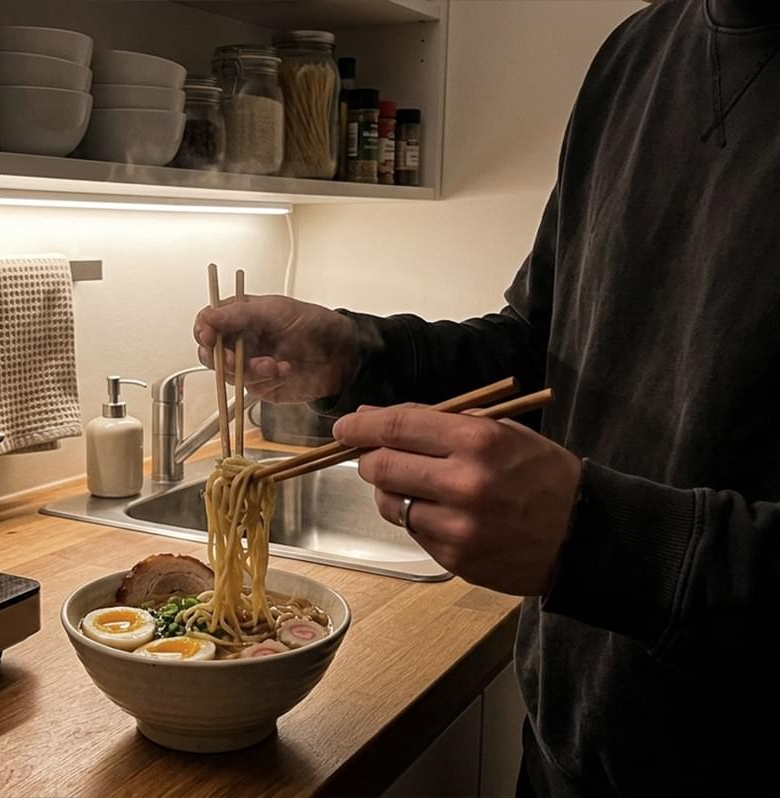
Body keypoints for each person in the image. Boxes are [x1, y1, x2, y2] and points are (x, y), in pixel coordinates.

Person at [194, 0, 780, 795]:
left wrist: (605, 540)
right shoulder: (635, 55)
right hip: (568, 747)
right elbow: (542, 352)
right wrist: (359, 353)